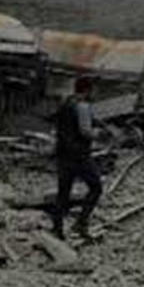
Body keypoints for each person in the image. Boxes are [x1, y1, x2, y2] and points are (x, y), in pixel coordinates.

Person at [52, 76, 103, 240]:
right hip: (79, 156)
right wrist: (100, 134)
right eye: (94, 89)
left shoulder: (65, 103)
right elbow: (85, 131)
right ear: (87, 90)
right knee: (96, 188)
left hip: (63, 155)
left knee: (63, 193)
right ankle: (81, 223)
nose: (95, 92)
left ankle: (57, 230)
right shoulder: (83, 106)